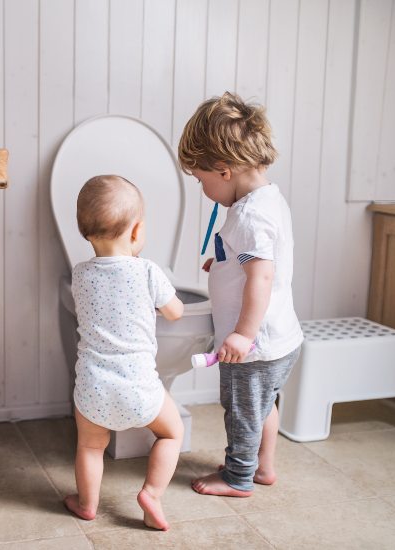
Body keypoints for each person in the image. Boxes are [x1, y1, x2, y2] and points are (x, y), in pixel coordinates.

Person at [177, 92, 303, 497]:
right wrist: (226, 262)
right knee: (263, 405)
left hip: (254, 343)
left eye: (201, 180)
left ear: (224, 170)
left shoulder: (249, 215)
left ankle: (238, 477)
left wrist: (242, 334)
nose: (202, 189)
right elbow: (262, 261)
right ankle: (263, 467)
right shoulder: (266, 200)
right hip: (280, 338)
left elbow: (261, 277)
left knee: (243, 412)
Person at [64, 174, 185, 530]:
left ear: (85, 232)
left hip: (93, 389)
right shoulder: (148, 271)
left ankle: (87, 504)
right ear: (136, 232)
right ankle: (151, 493)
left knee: (89, 447)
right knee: (171, 433)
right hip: (139, 387)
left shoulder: (80, 274)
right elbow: (176, 312)